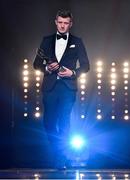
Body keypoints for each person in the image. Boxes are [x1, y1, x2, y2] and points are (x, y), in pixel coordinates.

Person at [33, 10, 90, 169]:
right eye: (60, 22)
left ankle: (60, 159)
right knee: (49, 123)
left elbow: (86, 66)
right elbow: (36, 64)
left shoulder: (77, 41)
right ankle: (59, 151)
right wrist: (47, 68)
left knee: (64, 121)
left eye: (66, 23)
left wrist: (73, 72)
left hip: (68, 88)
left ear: (70, 24)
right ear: (56, 22)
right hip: (50, 87)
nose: (63, 25)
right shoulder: (46, 40)